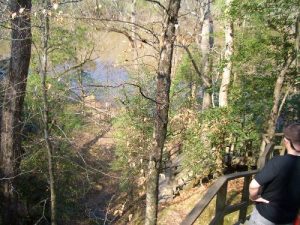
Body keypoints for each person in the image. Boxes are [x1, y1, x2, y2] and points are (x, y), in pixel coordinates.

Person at [248, 122, 300, 225]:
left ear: (286, 141)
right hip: (289, 219)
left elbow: (253, 186)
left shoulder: (278, 162)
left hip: (265, 217)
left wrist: (254, 197)